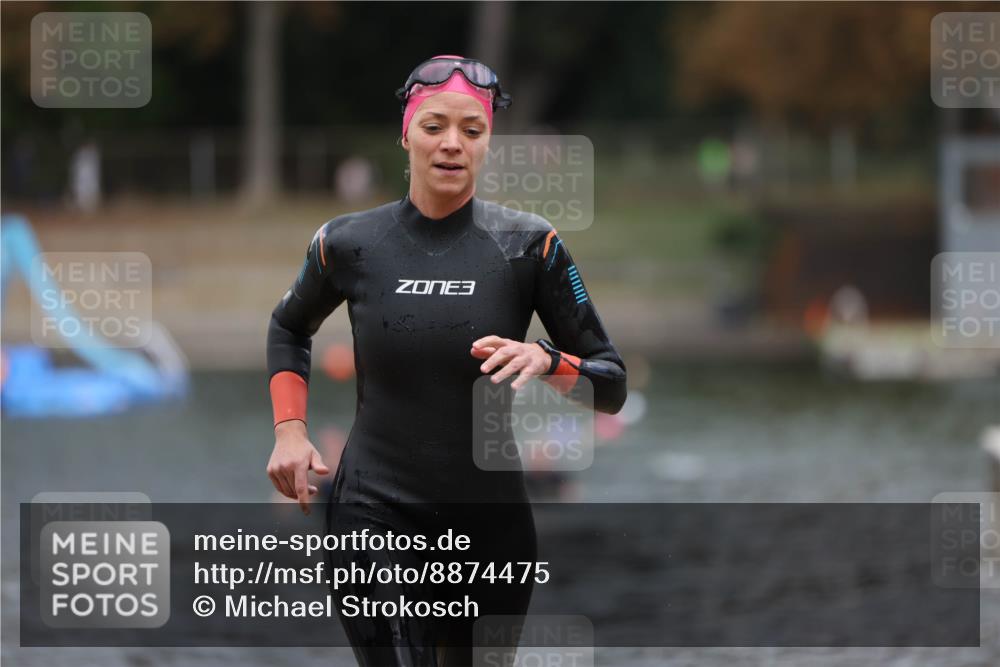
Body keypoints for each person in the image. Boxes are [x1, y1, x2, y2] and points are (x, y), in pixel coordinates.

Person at [265, 55, 626, 666]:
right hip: (372, 512)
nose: (452, 144)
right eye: (434, 126)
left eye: (472, 130)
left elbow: (609, 383)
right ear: (405, 133)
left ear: (489, 142)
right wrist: (290, 431)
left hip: (490, 526)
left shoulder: (528, 246)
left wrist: (547, 361)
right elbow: (288, 324)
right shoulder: (349, 243)